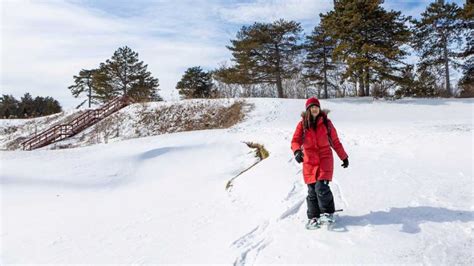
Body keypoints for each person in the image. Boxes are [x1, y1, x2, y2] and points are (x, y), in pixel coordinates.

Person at [291, 97, 349, 229]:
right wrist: (297, 152)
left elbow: (335, 142)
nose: (314, 109)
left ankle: (327, 213)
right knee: (312, 191)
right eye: (312, 107)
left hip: (324, 159)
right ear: (308, 110)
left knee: (321, 188)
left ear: (319, 108)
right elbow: (295, 140)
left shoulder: (327, 124)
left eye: (316, 107)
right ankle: (313, 217)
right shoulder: (302, 125)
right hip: (309, 161)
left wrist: (344, 157)